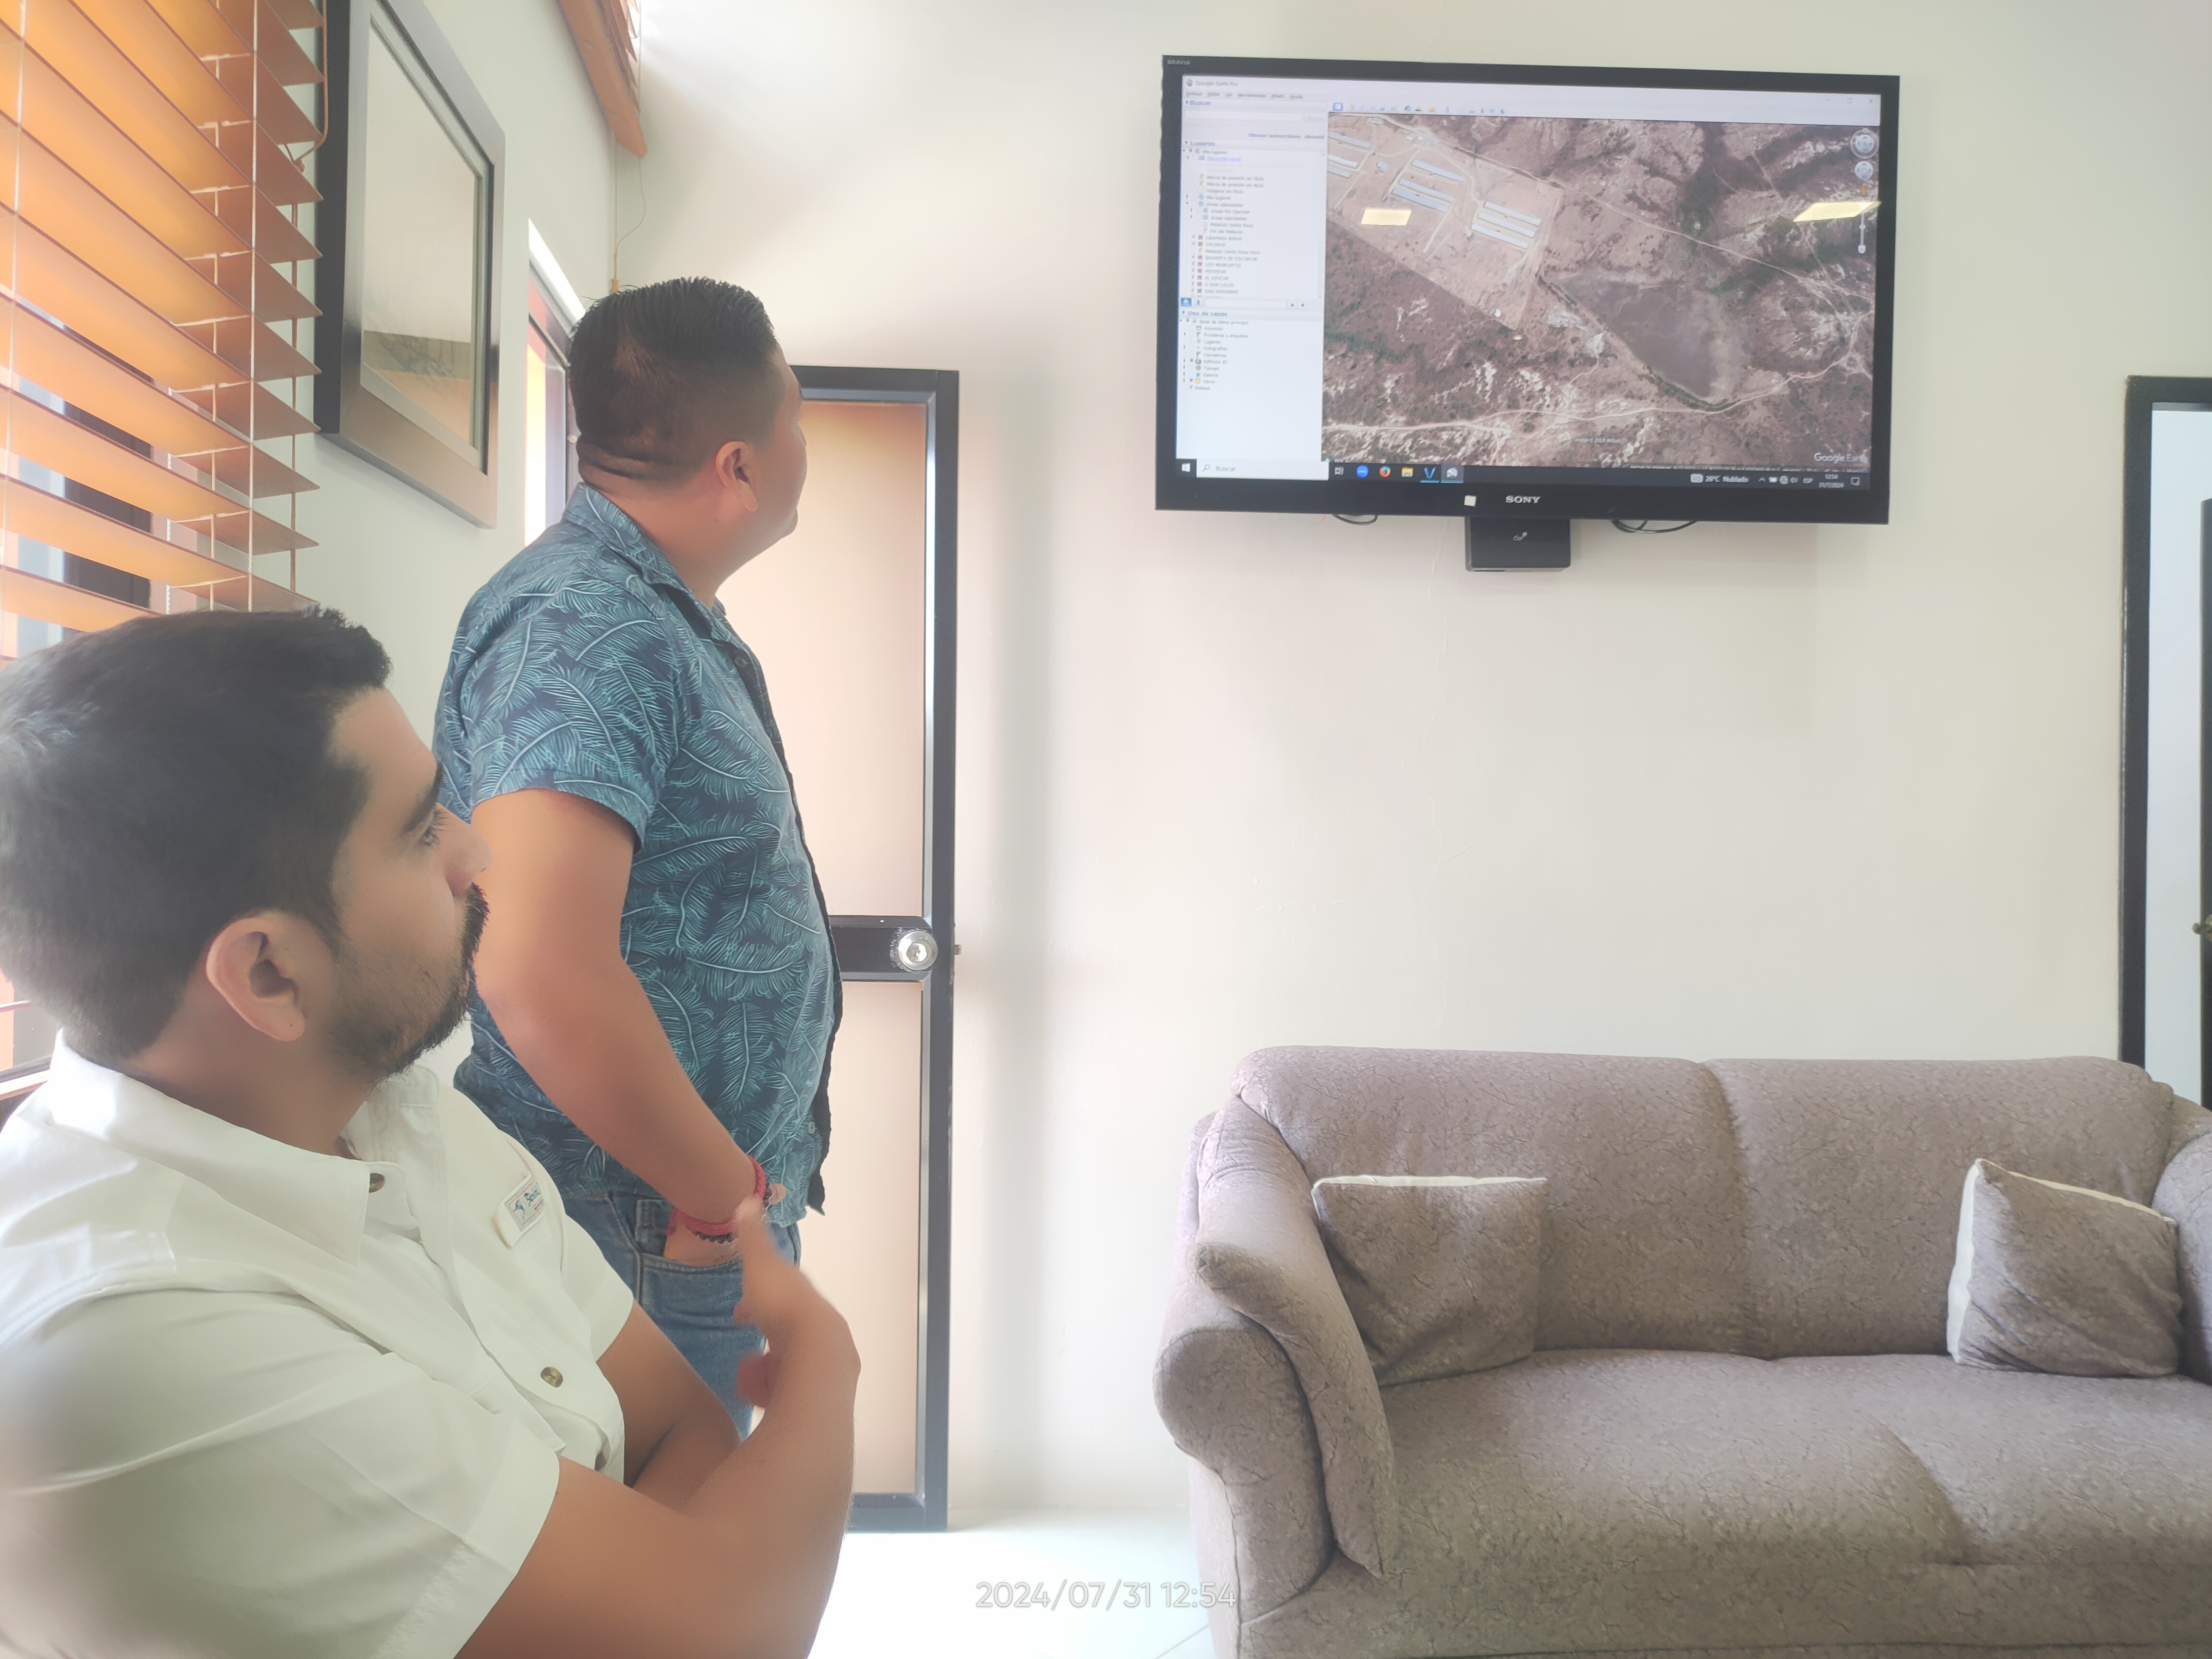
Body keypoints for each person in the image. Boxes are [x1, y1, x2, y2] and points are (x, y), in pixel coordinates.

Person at [0, 610, 859, 1659]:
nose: (475, 850)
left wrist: (665, 1578)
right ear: (268, 972)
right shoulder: (133, 1348)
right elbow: (732, 1631)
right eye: (419, 832)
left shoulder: (393, 1107)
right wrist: (823, 1363)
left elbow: (683, 1430)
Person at [434, 277, 838, 1432]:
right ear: (739, 465)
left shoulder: (648, 612)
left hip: (669, 1218)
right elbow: (536, 967)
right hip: (646, 1228)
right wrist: (723, 1203)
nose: (802, 444)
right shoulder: (587, 627)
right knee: (686, 1542)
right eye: (795, 417)